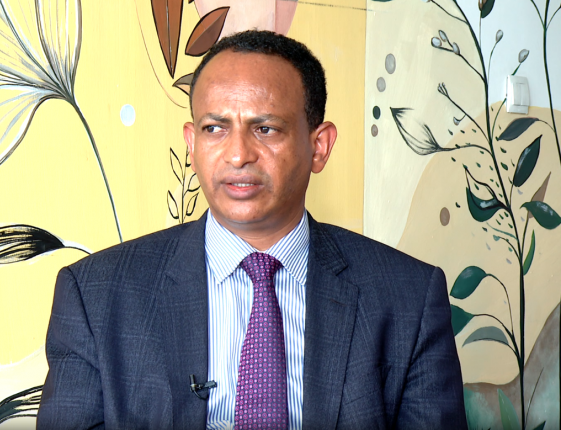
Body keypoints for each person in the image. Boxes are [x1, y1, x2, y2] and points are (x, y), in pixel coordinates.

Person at [37, 30, 466, 429]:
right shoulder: (95, 295)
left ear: (319, 146)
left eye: (265, 129)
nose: (238, 154)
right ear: (192, 144)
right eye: (214, 128)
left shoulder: (409, 297)